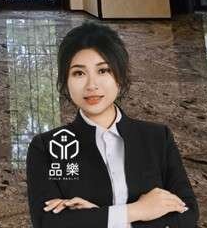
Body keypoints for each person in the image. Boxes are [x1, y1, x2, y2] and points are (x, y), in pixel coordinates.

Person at [25, 22, 198, 227]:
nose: (92, 85)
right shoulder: (46, 147)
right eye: (79, 73)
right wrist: (137, 210)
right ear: (66, 80)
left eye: (103, 70)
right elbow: (47, 222)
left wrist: (96, 218)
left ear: (120, 76)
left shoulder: (158, 137)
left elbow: (187, 215)